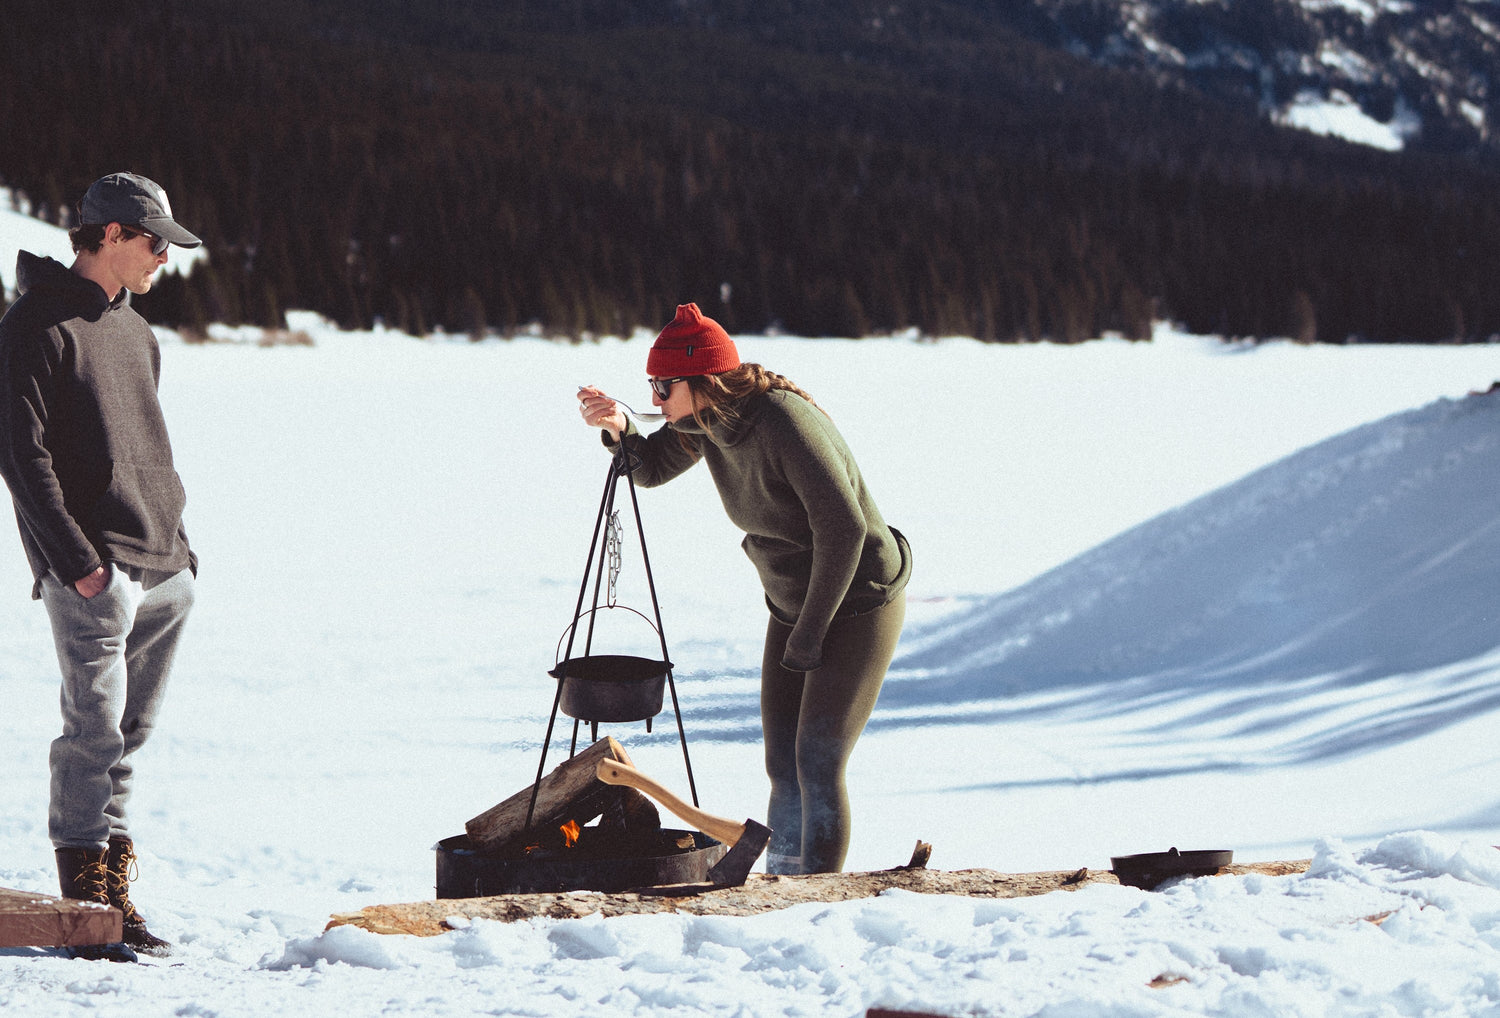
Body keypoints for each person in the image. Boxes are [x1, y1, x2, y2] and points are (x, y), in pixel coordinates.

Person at [577, 303, 911, 874]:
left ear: (703, 381)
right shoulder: (707, 421)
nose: (655, 400)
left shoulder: (782, 421)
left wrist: (810, 632)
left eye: (663, 387)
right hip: (792, 602)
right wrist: (620, 431)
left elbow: (844, 527)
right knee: (782, 761)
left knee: (818, 759)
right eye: (651, 388)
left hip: (856, 600)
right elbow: (651, 467)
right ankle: (785, 875)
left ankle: (819, 893)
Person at [0, 172, 201, 958]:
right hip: (96, 573)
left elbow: (145, 446)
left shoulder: (134, 329)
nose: (164, 258)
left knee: (129, 738)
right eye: (155, 242)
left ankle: (115, 903)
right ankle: (85, 909)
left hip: (164, 565)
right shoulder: (35, 325)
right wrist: (79, 565)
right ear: (110, 234)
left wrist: (181, 551)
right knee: (92, 737)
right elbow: (23, 457)